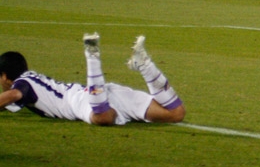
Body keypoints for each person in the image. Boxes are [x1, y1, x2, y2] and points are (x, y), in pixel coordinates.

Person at [0, 33, 185, 126]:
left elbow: (13, 95)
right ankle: (145, 65)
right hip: (102, 94)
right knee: (176, 114)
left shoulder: (22, 84)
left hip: (78, 102)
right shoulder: (31, 77)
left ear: (5, 76)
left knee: (103, 118)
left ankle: (92, 59)